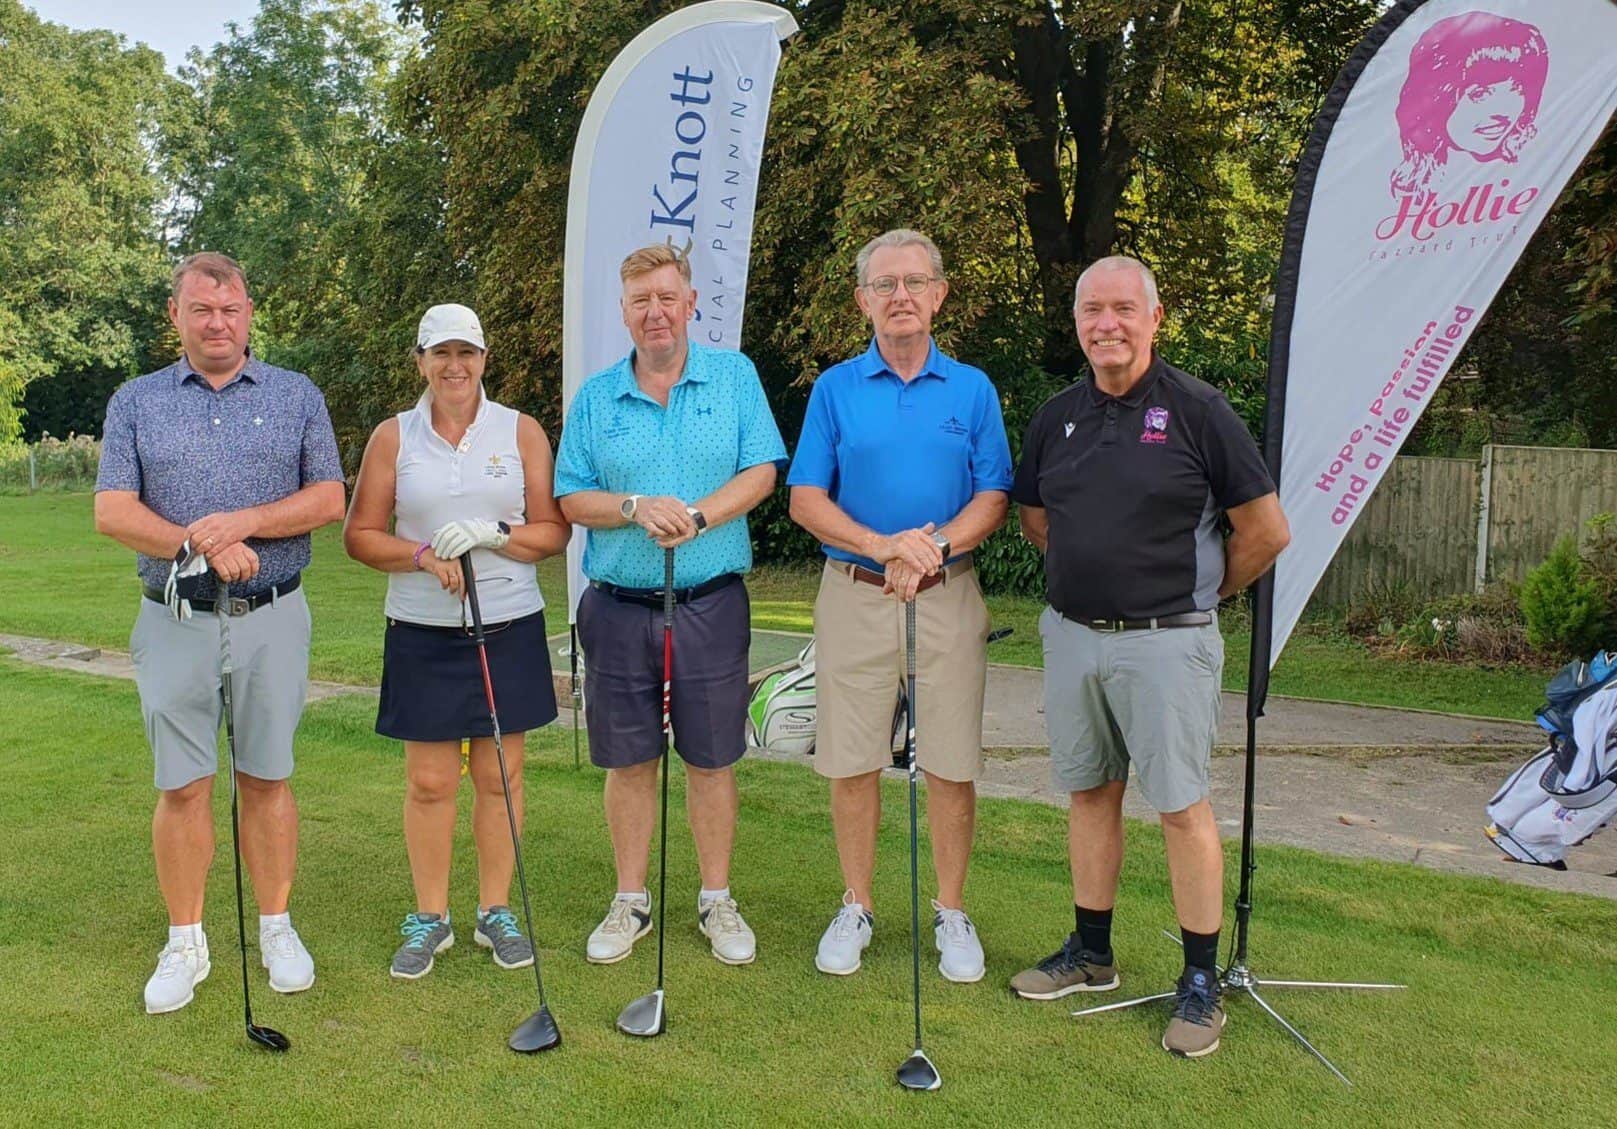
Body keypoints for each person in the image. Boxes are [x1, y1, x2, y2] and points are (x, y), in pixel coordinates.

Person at [1007, 256, 1290, 1059]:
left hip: (1168, 641)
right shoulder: (1055, 415)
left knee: (1179, 805)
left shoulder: (1200, 411)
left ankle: (1198, 981)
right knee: (1089, 793)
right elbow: (1036, 517)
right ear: (1076, 323)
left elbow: (1265, 531)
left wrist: (1194, 592)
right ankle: (1091, 953)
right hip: (1071, 636)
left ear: (1154, 318)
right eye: (1092, 310)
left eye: (1124, 309)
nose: (1108, 324)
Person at [94, 252, 346, 1015]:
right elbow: (113, 510)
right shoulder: (136, 401)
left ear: (249, 314)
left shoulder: (296, 393)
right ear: (175, 315)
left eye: (229, 309)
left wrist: (245, 522)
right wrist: (197, 542)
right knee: (182, 784)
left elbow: (329, 495)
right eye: (200, 309)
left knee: (267, 777)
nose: (216, 322)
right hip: (176, 616)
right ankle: (186, 939)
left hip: (272, 612)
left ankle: (275, 926)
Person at [787, 228, 1012, 983]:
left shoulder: (973, 389)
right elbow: (805, 499)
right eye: (883, 285)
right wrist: (886, 546)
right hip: (856, 592)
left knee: (950, 762)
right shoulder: (834, 389)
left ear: (939, 294)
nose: (900, 297)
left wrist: (933, 548)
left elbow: (993, 494)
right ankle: (856, 903)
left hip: (947, 593)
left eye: (914, 282)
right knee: (851, 760)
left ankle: (951, 910)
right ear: (862, 301)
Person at [554, 243, 787, 967]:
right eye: (639, 301)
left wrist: (700, 516)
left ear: (690, 303)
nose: (654, 311)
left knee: (711, 758)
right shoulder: (596, 397)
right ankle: (630, 899)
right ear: (623, 314)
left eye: (665, 296)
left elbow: (762, 469)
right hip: (620, 603)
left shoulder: (735, 376)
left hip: (709, 599)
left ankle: (717, 899)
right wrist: (632, 505)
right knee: (628, 759)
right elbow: (570, 496)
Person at [344, 303, 571, 979]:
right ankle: (430, 915)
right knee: (429, 780)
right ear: (420, 361)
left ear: (483, 359)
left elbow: (553, 531)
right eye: (439, 353)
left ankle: (495, 910)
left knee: (499, 776)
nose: (454, 366)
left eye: (465, 353)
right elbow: (360, 534)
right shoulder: (394, 436)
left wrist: (496, 536)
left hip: (506, 624)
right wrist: (419, 554)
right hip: (421, 629)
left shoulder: (520, 430)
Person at [1390, 11, 1547, 200]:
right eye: (1479, 94)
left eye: (1518, 89)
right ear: (1435, 99)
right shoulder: (1403, 185)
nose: (1501, 114)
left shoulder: (1534, 166)